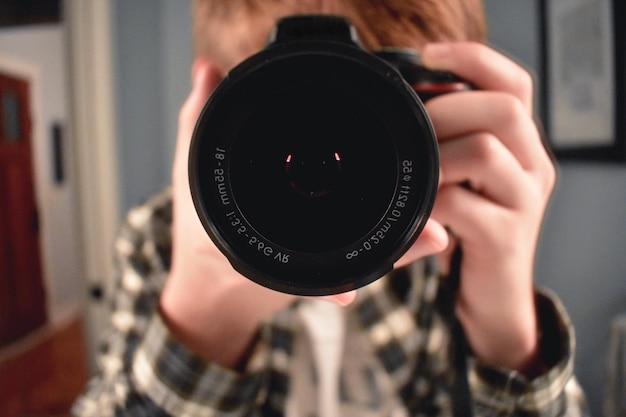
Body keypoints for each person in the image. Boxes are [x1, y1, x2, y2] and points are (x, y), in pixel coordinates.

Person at [72, 1, 589, 416]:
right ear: (214, 98)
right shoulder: (161, 240)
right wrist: (201, 319)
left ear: (434, 106)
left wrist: (504, 329)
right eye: (286, 103)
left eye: (369, 98)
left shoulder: (453, 246)